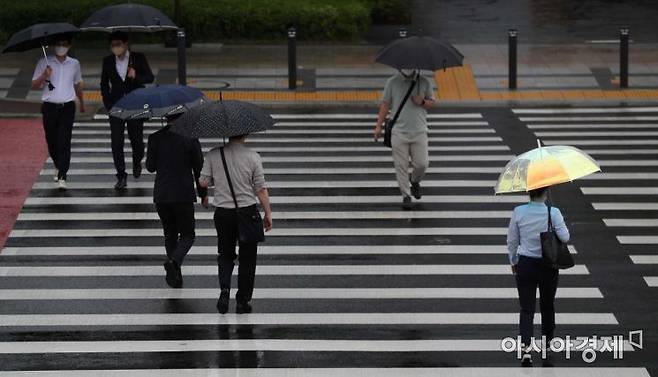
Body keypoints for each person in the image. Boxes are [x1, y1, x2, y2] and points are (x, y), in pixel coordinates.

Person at [199, 134, 273, 315]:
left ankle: (225, 290)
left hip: (223, 213)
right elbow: (261, 189)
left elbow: (203, 182)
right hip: (247, 212)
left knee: (225, 253)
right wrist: (268, 213)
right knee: (248, 258)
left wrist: (218, 178)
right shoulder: (253, 156)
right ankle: (242, 300)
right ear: (245, 134)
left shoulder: (213, 154)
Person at [507, 187, 570, 367]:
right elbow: (565, 237)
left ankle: (526, 350)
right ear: (546, 192)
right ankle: (547, 344)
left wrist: (513, 261)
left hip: (525, 264)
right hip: (548, 265)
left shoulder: (518, 212)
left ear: (529, 192)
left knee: (526, 309)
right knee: (547, 306)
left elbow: (512, 240)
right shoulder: (553, 212)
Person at [146, 113, 207, 288]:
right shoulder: (190, 138)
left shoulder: (155, 138)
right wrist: (203, 194)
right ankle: (174, 262)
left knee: (170, 233)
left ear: (166, 117)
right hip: (183, 194)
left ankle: (175, 276)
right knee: (188, 235)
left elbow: (150, 167)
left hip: (162, 195)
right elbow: (198, 168)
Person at [100, 31, 154, 191]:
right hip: (116, 106)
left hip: (135, 105)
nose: (115, 48)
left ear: (126, 44)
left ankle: (137, 161)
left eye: (118, 44)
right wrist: (108, 103)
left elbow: (150, 78)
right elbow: (103, 83)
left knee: (137, 141)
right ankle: (121, 175)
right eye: (112, 45)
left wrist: (136, 76)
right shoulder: (108, 61)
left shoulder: (138, 58)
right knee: (116, 142)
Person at [374, 69, 435, 210]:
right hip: (398, 132)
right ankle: (406, 195)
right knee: (401, 165)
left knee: (422, 164)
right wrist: (378, 126)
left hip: (419, 131)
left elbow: (432, 102)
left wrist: (422, 101)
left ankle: (414, 181)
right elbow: (385, 104)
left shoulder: (424, 82)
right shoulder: (392, 82)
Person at [31, 35, 85, 190]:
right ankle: (57, 163)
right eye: (58, 44)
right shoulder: (44, 62)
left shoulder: (74, 64)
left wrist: (81, 103)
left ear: (69, 46)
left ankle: (63, 174)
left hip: (67, 107)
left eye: (64, 44)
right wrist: (44, 76)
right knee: (52, 140)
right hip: (49, 107)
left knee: (64, 140)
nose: (61, 47)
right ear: (54, 45)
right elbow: (34, 85)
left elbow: (77, 84)